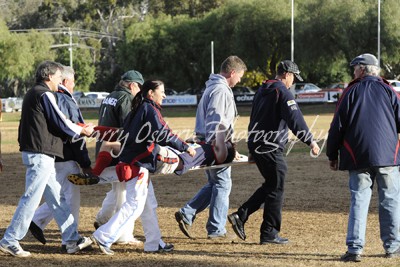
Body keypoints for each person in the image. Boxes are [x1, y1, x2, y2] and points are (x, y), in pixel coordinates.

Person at [0, 61, 94, 257]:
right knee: (32, 198)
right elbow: (61, 121)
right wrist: (82, 130)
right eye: (59, 78)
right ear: (49, 76)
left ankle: (71, 239)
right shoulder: (44, 94)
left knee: (57, 198)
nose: (61, 82)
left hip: (41, 154)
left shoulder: (34, 93)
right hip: (40, 154)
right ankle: (10, 239)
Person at [91, 80, 196, 255]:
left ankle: (154, 242)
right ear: (150, 93)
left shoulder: (138, 108)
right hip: (138, 164)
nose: (164, 95)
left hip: (133, 162)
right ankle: (103, 236)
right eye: (161, 92)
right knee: (134, 206)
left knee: (148, 204)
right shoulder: (148, 109)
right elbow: (163, 133)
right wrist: (184, 147)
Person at [227, 60, 320, 245]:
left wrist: (252, 145)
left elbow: (254, 117)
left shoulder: (262, 90)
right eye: (293, 77)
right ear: (286, 74)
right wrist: (310, 141)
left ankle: (241, 215)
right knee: (277, 185)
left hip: (258, 143)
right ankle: (269, 233)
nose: (293, 82)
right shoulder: (282, 92)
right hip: (270, 146)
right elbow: (295, 119)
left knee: (272, 184)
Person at [326, 53, 400, 262]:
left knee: (359, 199)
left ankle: (355, 249)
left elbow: (336, 127)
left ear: (362, 69)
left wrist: (332, 154)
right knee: (391, 200)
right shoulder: (389, 90)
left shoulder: (351, 90)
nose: (353, 72)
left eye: (355, 68)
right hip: (388, 156)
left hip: (357, 155)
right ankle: (392, 247)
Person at [175, 55, 247, 239]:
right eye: (239, 76)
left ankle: (187, 213)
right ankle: (216, 229)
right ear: (232, 72)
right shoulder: (221, 90)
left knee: (216, 183)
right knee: (223, 184)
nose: (239, 80)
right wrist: (224, 147)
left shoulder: (212, 87)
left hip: (208, 142)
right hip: (215, 144)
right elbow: (217, 121)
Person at [28, 65, 92, 251]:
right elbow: (74, 133)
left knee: (60, 195)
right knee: (70, 198)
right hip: (66, 156)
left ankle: (37, 220)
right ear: (65, 81)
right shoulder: (64, 99)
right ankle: (69, 241)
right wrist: (85, 162)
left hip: (54, 154)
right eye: (73, 82)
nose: (74, 86)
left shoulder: (53, 96)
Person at [94, 70, 144, 245]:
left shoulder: (111, 96)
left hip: (104, 149)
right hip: (116, 150)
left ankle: (102, 219)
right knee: (123, 192)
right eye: (140, 87)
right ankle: (123, 234)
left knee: (117, 190)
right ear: (132, 85)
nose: (141, 92)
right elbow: (128, 126)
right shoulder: (126, 99)